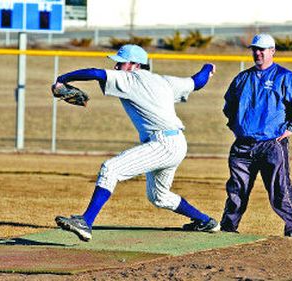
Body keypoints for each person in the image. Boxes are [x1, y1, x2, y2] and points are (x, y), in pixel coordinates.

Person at [53, 44, 218, 242]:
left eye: (120, 63)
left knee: (110, 169)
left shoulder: (130, 78)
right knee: (159, 196)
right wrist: (208, 68)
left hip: (163, 143)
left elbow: (95, 73)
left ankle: (86, 222)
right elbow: (196, 82)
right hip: (176, 143)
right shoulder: (164, 81)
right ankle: (206, 221)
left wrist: (62, 79)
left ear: (135, 65)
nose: (116, 67)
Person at [220, 34, 292, 237]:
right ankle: (228, 228)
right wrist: (236, 126)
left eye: (263, 49)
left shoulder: (286, 78)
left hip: (272, 144)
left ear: (273, 51)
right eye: (255, 49)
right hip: (243, 146)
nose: (258, 53)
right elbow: (229, 105)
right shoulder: (242, 78)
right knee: (237, 190)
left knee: (280, 190)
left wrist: (291, 128)